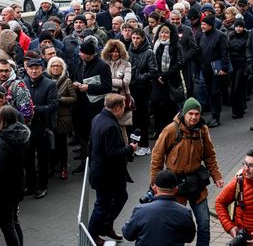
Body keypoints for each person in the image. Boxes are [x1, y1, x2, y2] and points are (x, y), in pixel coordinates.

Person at [150, 98, 224, 246]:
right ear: (184, 113)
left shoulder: (203, 130)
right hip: (175, 184)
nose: (194, 117)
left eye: (197, 114)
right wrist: (155, 183)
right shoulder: (171, 130)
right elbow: (157, 157)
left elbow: (209, 155)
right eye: (190, 113)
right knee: (176, 226)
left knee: (204, 223)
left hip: (196, 182)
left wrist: (216, 176)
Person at [87, 94, 138, 245]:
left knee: (121, 197)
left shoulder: (97, 118)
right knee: (101, 205)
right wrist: (130, 148)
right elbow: (112, 154)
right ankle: (92, 235)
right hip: (107, 175)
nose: (124, 110)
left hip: (103, 172)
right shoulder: (109, 126)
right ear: (117, 108)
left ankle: (106, 226)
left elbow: (91, 145)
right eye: (123, 107)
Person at [0, 106, 29, 246]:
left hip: (3, 191)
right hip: (17, 185)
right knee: (13, 220)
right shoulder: (22, 137)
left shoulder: (2, 142)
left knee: (7, 224)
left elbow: (0, 171)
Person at [121, 170, 196, 245]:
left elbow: (128, 235)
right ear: (176, 189)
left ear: (154, 188)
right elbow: (189, 238)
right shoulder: (185, 212)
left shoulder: (140, 210)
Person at [71, 41, 112, 175]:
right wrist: (76, 84)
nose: (81, 55)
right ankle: (84, 162)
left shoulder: (102, 66)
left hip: (95, 107)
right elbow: (76, 77)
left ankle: (96, 162)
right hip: (81, 106)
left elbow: (107, 87)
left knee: (94, 136)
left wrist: (89, 87)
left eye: (83, 53)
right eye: (80, 52)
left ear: (91, 54)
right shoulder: (79, 63)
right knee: (82, 136)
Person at [23, 57, 58, 199]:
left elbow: (53, 105)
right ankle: (30, 186)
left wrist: (33, 109)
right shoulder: (23, 83)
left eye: (36, 68)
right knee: (28, 159)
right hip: (27, 128)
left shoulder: (50, 84)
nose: (33, 71)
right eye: (31, 68)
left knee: (43, 160)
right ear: (27, 69)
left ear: (42, 69)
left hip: (43, 127)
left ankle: (42, 186)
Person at [47, 57, 77, 179]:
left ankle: (63, 167)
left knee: (61, 144)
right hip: (49, 117)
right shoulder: (46, 80)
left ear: (62, 68)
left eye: (58, 66)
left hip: (62, 117)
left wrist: (60, 99)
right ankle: (52, 166)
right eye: (53, 65)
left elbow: (74, 98)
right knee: (50, 144)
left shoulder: (67, 81)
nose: (55, 68)